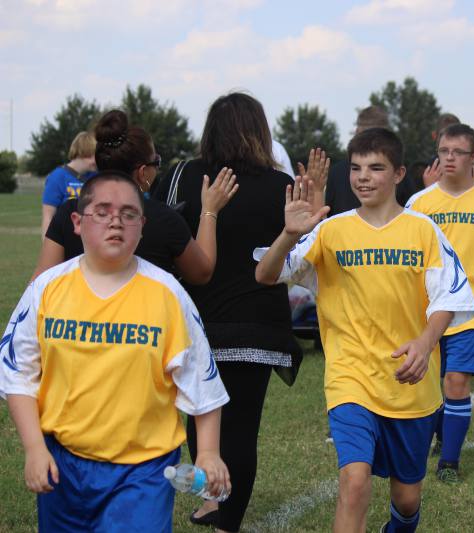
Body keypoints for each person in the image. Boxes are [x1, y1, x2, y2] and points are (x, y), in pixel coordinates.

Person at [254, 128, 474, 532]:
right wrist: (289, 235)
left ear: (398, 174)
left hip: (409, 385)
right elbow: (266, 274)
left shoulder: (423, 230)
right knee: (354, 481)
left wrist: (426, 343)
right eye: (356, 168)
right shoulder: (330, 230)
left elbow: (449, 297)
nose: (363, 177)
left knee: (407, 499)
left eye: (376, 168)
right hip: (350, 376)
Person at [1, 171, 231, 531]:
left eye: (128, 214)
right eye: (102, 211)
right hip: (63, 465)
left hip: (144, 471)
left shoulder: (167, 294)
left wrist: (208, 452)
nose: (116, 222)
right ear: (77, 222)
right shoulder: (46, 289)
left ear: (142, 226)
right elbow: (17, 374)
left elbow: (201, 378)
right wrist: (34, 447)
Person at [152, 92, 302, 533]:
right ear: (260, 131)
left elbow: (161, 232)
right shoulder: (280, 186)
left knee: (200, 418)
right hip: (257, 324)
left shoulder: (183, 174)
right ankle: (224, 518)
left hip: (193, 320)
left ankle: (214, 503)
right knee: (241, 429)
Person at [405, 123, 474, 483]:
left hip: (471, 311)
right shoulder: (419, 204)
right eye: (443, 151)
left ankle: (449, 463)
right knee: (430, 385)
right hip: (425, 313)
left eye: (457, 152)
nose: (449, 158)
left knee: (456, 382)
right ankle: (440, 435)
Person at [32, 110, 236, 284]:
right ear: (143, 172)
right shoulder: (164, 219)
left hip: (79, 326)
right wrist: (210, 210)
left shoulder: (70, 212)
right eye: (156, 161)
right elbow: (201, 273)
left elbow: (39, 283)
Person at [41, 131, 97, 238]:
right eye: (95, 154)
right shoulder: (57, 177)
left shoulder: (96, 177)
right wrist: (48, 248)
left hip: (91, 242)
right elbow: (48, 217)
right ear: (85, 153)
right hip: (65, 240)